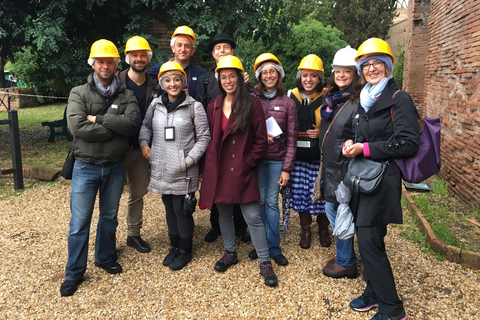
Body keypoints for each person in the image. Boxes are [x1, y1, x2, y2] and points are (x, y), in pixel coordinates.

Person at [343, 38, 419, 320]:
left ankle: (392, 309)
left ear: (387, 66)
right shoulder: (366, 98)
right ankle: (373, 292)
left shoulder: (399, 98)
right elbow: (366, 136)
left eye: (377, 63)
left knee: (367, 241)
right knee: (372, 240)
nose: (372, 68)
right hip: (363, 179)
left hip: (383, 181)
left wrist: (365, 148)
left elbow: (408, 143)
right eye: (366, 64)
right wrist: (353, 143)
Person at [60, 39, 141, 297]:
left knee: (109, 217)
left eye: (110, 61)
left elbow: (131, 126)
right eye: (101, 61)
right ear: (93, 63)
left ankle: (105, 257)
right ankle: (74, 272)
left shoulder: (126, 94)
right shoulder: (78, 93)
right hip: (86, 166)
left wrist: (100, 119)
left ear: (117, 63)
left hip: (115, 167)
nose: (105, 66)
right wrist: (112, 129)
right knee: (79, 222)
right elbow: (77, 127)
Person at [199, 55, 278, 287]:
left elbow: (261, 141)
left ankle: (265, 262)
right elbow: (212, 138)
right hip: (219, 170)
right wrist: (207, 169)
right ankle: (229, 252)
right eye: (223, 77)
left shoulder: (252, 104)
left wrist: (247, 162)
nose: (227, 81)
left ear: (240, 78)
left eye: (231, 76)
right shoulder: (213, 105)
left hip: (242, 169)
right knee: (223, 213)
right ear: (219, 80)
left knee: (252, 216)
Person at [138, 61, 210, 270]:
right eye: (167, 80)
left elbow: (204, 137)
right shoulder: (155, 105)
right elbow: (145, 126)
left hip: (183, 168)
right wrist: (144, 144)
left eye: (177, 79)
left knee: (182, 209)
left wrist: (190, 159)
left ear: (183, 82)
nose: (172, 84)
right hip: (161, 167)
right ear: (162, 83)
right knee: (169, 207)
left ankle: (185, 249)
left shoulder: (194, 106)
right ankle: (175, 246)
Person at [196, 32, 250, 243]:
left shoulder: (241, 76)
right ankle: (216, 226)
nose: (222, 51)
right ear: (212, 53)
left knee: (237, 184)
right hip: (214, 138)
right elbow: (200, 107)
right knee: (217, 185)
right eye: (218, 48)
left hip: (237, 139)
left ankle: (240, 227)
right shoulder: (205, 78)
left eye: (226, 48)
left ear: (232, 51)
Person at [316, 46, 362, 279]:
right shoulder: (334, 100)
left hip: (344, 169)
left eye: (347, 71)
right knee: (333, 209)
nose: (341, 75)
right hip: (331, 167)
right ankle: (345, 255)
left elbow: (359, 135)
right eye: (338, 71)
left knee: (338, 212)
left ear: (355, 74)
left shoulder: (358, 102)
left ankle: (346, 262)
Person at [249, 53, 298, 266]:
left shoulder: (288, 103)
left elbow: (292, 138)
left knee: (271, 202)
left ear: (279, 75)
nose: (269, 76)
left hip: (277, 160)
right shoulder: (252, 100)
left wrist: (287, 168)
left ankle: (274, 246)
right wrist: (259, 139)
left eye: (273, 72)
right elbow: (245, 131)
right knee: (258, 201)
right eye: (265, 72)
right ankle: (260, 244)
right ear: (260, 76)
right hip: (257, 159)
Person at [118, 36, 161, 253]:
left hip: (142, 149)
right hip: (116, 149)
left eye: (142, 55)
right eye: (134, 55)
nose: (138, 58)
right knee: (111, 196)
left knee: (138, 194)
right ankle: (107, 238)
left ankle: (133, 234)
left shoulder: (155, 85)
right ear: (128, 57)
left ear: (148, 57)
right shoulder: (116, 81)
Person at [287, 54, 331, 249]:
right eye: (305, 75)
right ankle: (305, 228)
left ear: (320, 78)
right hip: (297, 157)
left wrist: (320, 133)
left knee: (321, 191)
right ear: (299, 76)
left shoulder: (327, 97)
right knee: (301, 192)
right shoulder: (290, 96)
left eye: (314, 76)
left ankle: (323, 227)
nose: (309, 80)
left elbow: (335, 124)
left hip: (318, 156)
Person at [148, 26, 206, 100]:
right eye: (179, 45)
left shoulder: (200, 73)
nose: (183, 49)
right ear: (173, 48)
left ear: (192, 50)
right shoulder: (157, 70)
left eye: (187, 46)